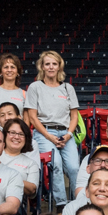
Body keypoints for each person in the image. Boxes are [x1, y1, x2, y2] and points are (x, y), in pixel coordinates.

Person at [26, 50, 82, 206]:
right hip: (44, 132)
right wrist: (49, 137)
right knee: (55, 164)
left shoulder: (67, 88)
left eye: (54, 64)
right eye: (47, 64)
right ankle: (61, 204)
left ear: (59, 67)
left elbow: (74, 117)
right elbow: (32, 117)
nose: (51, 67)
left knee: (74, 167)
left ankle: (78, 202)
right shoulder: (35, 87)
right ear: (42, 67)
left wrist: (69, 135)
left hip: (66, 133)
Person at [0, 118, 42, 200]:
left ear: (26, 139)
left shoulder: (31, 163)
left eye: (21, 134)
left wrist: (7, 178)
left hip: (14, 204)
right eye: (12, 133)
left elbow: (32, 189)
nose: (16, 137)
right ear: (4, 135)